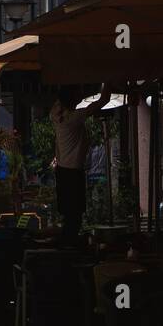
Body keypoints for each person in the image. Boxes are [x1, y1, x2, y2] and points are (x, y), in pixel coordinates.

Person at [49, 85, 110, 243]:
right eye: (77, 94)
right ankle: (70, 243)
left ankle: (68, 241)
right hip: (72, 172)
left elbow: (61, 99)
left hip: (63, 171)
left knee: (70, 214)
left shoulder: (56, 115)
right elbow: (104, 100)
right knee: (74, 215)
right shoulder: (73, 119)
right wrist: (107, 82)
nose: (80, 96)